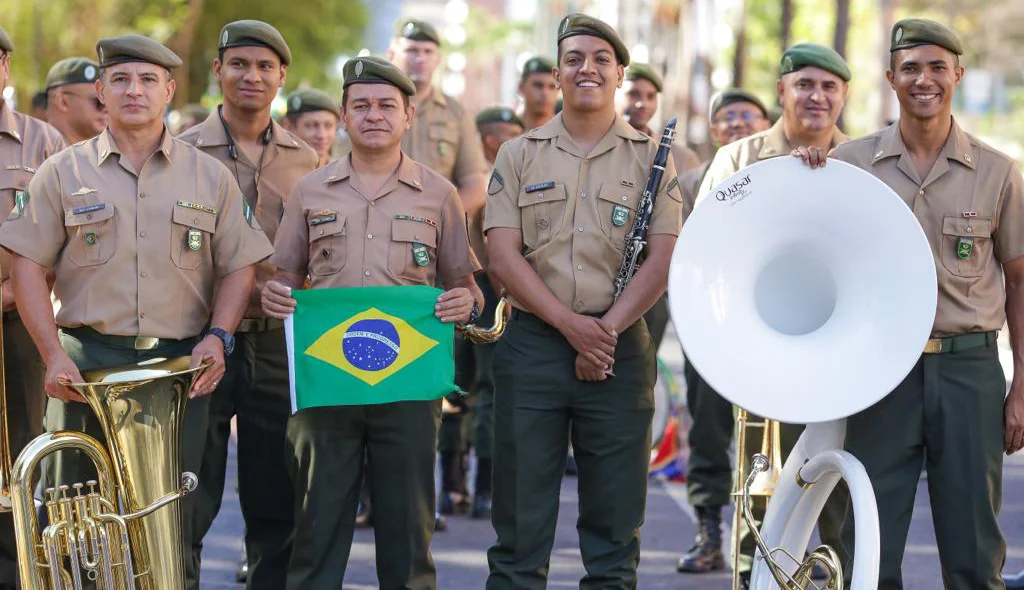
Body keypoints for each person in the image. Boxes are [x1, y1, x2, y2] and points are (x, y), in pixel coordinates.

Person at [0, 32, 271, 585]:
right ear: (100, 91)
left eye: (148, 80)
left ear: (169, 90)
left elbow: (240, 264)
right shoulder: (63, 172)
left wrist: (218, 337)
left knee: (175, 521)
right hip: (85, 369)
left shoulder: (209, 176)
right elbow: (26, 265)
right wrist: (51, 354)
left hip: (177, 370)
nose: (134, 90)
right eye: (120, 79)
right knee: (77, 518)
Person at [794, 19, 1024, 590]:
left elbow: (1020, 282)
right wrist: (805, 177)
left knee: (973, 544)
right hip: (881, 372)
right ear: (892, 77)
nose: (925, 80)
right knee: (868, 541)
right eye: (912, 68)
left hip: (969, 369)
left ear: (958, 76)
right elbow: (811, 255)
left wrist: (1022, 386)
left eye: (937, 67)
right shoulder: (848, 162)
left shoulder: (999, 173)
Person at [261, 55, 482, 590]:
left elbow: (466, 285)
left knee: (407, 534)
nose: (374, 115)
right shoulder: (311, 191)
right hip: (327, 383)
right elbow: (285, 275)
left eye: (387, 105)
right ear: (343, 115)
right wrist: (275, 295)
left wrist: (463, 304)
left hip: (408, 387)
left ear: (409, 115)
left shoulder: (439, 194)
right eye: (361, 105)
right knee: (317, 529)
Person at [483, 13, 683, 588]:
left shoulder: (654, 158)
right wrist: (572, 326)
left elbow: (663, 262)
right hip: (535, 348)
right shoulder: (519, 154)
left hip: (619, 350)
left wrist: (605, 332)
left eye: (601, 59)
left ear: (620, 73)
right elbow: (502, 256)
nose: (587, 68)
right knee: (519, 528)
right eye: (574, 58)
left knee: (614, 532)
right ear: (557, 72)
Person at [696, 43, 851, 589]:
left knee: (838, 501)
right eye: (805, 84)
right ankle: (751, 581)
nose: (817, 96)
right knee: (761, 492)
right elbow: (708, 250)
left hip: (840, 355)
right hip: (761, 350)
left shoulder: (863, 160)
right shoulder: (738, 158)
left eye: (830, 86)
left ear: (844, 95)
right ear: (782, 91)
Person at [176, 19, 318, 590]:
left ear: (282, 76)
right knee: (187, 494)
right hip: (200, 341)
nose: (251, 76)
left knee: (276, 498)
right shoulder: (180, 152)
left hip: (278, 346)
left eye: (264, 66)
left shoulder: (307, 161)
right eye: (239, 64)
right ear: (218, 72)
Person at [386, 18, 489, 522]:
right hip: (374, 267)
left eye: (427, 49)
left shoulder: (456, 113)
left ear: (438, 57)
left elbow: (475, 181)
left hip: (432, 271)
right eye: (411, 49)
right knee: (370, 371)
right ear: (394, 52)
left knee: (429, 387)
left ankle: (422, 501)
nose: (418, 58)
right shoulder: (373, 101)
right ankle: (370, 497)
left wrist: (434, 218)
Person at [675, 87, 770, 575]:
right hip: (710, 325)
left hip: (769, 331)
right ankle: (708, 530)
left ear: (766, 125)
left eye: (747, 116)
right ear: (714, 131)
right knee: (709, 432)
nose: (737, 124)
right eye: (727, 118)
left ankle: (765, 542)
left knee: (766, 440)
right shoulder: (690, 183)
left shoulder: (784, 175)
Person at [0, 26, 64, 589]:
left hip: (19, 322)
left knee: (21, 454)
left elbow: (62, 240)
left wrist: (12, 293)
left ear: (5, 67)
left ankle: (18, 570)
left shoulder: (41, 142)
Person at [618, 62, 700, 354]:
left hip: (653, 278)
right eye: (633, 93)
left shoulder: (682, 156)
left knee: (642, 364)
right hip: (608, 273)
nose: (642, 103)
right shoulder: (605, 146)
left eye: (651, 96)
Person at [467, 106, 524, 520]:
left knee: (481, 390)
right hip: (490, 287)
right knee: (483, 390)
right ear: (490, 140)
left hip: (498, 286)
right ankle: (479, 486)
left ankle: (475, 485)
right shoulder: (490, 179)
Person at [43, 57, 107, 144]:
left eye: (107, 100)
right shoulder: (30, 153)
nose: (106, 109)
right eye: (98, 101)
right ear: (63, 101)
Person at [283, 88, 339, 167]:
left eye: (328, 125)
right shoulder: (276, 173)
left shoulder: (347, 173)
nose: (322, 135)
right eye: (311, 125)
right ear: (289, 127)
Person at [518, 56, 559, 131]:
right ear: (521, 87)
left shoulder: (570, 132)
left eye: (552, 87)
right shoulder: (509, 132)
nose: (545, 93)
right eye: (538, 85)